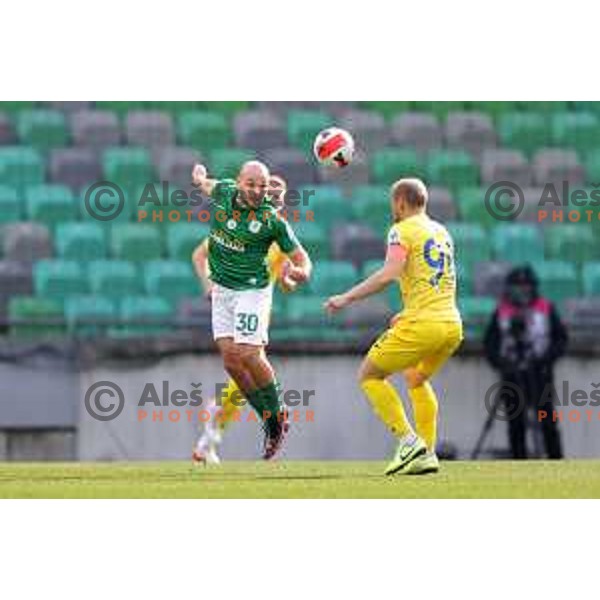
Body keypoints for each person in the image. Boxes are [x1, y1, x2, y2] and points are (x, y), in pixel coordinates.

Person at [324, 178, 463, 476]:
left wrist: (346, 297)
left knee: (369, 376)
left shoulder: (401, 230)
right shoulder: (441, 231)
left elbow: (389, 274)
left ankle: (408, 440)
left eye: (393, 205)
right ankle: (426, 452)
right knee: (415, 378)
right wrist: (408, 311)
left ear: (400, 203)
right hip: (451, 324)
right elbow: (435, 279)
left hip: (424, 324)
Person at [191, 161, 312, 460]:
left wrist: (295, 275)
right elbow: (209, 187)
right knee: (232, 363)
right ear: (240, 182)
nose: (262, 192)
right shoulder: (226, 194)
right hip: (224, 292)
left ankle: (273, 415)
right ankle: (266, 422)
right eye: (255, 185)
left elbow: (302, 265)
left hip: (253, 296)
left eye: (268, 188)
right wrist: (200, 178)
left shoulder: (273, 225)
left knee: (247, 354)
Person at [483, 265, 566, 459]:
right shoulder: (502, 311)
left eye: (526, 286)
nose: (522, 291)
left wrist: (545, 359)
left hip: (540, 374)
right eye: (517, 286)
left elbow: (560, 339)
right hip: (512, 375)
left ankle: (556, 461)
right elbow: (490, 343)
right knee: (515, 423)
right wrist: (501, 362)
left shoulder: (546, 308)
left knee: (548, 420)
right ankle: (519, 462)